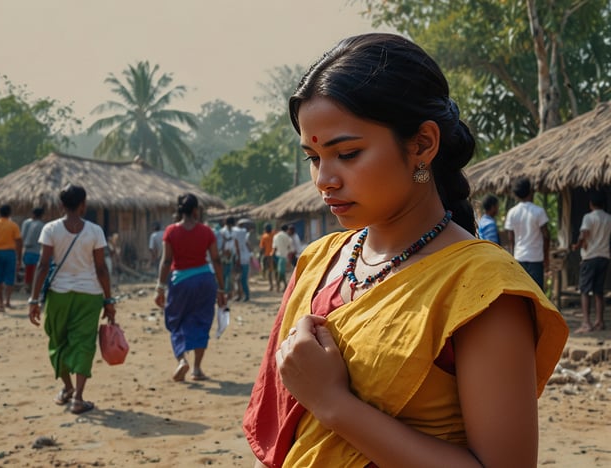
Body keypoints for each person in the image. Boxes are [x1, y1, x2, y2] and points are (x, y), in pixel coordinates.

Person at [243, 33, 568, 467]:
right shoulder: (319, 261)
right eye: (314, 158)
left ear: (422, 145)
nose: (324, 179)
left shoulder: (484, 291)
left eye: (348, 153)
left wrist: (333, 404)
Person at [28, 184, 116, 415]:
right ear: (83, 204)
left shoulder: (50, 229)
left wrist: (33, 300)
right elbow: (101, 269)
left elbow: (43, 265)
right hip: (90, 295)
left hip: (59, 295)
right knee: (84, 343)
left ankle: (67, 387)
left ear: (60, 205)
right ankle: (77, 396)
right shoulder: (95, 231)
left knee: (58, 341)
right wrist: (109, 301)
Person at [154, 193, 226, 382]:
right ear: (196, 211)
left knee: (176, 322)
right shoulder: (207, 231)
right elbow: (216, 260)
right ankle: (196, 369)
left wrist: (159, 288)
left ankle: (181, 360)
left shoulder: (170, 231)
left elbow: (166, 261)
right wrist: (221, 288)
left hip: (180, 283)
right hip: (205, 280)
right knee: (202, 321)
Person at [571, 191, 611, 333]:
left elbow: (584, 234)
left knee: (585, 290)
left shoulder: (588, 217)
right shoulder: (608, 218)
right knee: (598, 291)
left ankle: (586, 322)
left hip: (590, 257)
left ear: (591, 204)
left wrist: (578, 245)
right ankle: (600, 321)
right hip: (604, 256)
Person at [504, 177, 550, 290]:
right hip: (536, 258)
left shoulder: (512, 212)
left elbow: (510, 238)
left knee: (522, 292)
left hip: (519, 257)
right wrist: (546, 257)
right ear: (531, 191)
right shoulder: (539, 211)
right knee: (537, 294)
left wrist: (512, 257)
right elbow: (546, 236)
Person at [0, 204, 22, 312]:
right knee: (9, 278)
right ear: (10, 213)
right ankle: (7, 301)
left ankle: (0, 303)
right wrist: (19, 257)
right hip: (10, 254)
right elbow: (19, 242)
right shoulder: (13, 225)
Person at [21, 207, 46, 293]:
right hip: (37, 250)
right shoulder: (41, 225)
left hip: (28, 250)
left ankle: (28, 286)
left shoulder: (26, 222)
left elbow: (23, 237)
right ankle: (33, 287)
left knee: (29, 270)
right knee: (35, 270)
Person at [218, 217, 240, 299]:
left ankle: (229, 293)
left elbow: (236, 244)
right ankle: (223, 293)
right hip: (223, 255)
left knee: (230, 275)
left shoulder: (234, 232)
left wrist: (237, 256)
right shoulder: (222, 232)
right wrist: (224, 252)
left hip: (232, 255)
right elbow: (220, 245)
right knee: (223, 275)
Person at [235, 219, 253, 301]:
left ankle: (243, 295)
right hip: (244, 258)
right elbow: (249, 246)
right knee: (241, 279)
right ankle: (243, 295)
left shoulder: (235, 233)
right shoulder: (244, 234)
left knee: (239, 279)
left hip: (239, 259)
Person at [272, 224, 293, 292]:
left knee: (280, 272)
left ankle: (281, 286)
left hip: (276, 256)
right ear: (287, 229)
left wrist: (272, 256)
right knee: (281, 272)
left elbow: (274, 248)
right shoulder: (287, 237)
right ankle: (281, 285)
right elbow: (289, 247)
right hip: (283, 256)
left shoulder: (276, 236)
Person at [259, 223, 275, 291]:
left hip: (268, 256)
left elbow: (262, 247)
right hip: (275, 255)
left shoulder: (264, 236)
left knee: (269, 272)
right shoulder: (274, 234)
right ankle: (277, 285)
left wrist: (260, 255)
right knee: (276, 271)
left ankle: (271, 285)